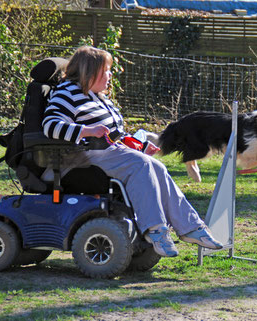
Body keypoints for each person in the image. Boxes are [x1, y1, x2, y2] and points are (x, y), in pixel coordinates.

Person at [42, 46, 223, 257]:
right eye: (107, 70)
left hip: (108, 153)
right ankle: (156, 230)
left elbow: (114, 134)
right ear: (89, 72)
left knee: (156, 165)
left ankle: (191, 227)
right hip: (81, 157)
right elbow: (50, 125)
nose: (111, 75)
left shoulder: (98, 97)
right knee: (142, 164)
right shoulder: (68, 92)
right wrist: (86, 130)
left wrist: (139, 145)